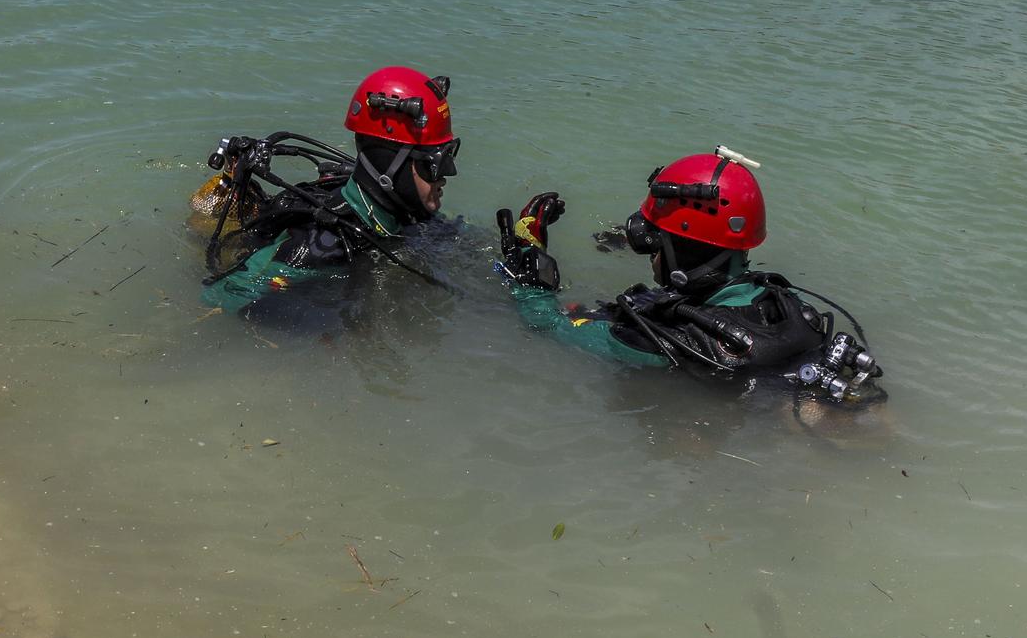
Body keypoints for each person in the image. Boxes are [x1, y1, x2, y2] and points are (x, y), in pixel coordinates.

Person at [492, 148, 884, 405]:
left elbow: (545, 324)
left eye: (657, 243)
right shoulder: (788, 308)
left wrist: (528, 263)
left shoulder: (668, 341)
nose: (652, 255)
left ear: (682, 250)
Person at [198, 66, 461, 315]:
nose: (450, 173)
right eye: (434, 164)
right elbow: (215, 300)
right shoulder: (314, 248)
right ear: (388, 164)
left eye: (449, 154)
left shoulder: (411, 214)